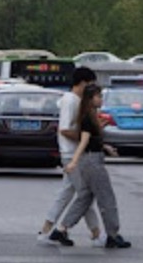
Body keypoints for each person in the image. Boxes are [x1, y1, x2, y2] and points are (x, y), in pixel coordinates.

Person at [49, 84, 130, 249]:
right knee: (106, 198)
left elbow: (91, 140)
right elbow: (84, 142)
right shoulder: (87, 117)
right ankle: (112, 235)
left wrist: (105, 147)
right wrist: (73, 162)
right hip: (92, 162)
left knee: (85, 197)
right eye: (98, 97)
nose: (101, 99)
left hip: (91, 159)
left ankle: (61, 229)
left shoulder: (91, 116)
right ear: (90, 99)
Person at [37, 66, 103, 246]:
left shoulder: (76, 100)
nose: (92, 90)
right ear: (82, 83)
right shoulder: (70, 101)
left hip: (74, 153)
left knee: (68, 193)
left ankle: (46, 230)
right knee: (84, 195)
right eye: (90, 85)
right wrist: (88, 137)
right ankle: (94, 233)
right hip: (71, 153)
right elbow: (65, 129)